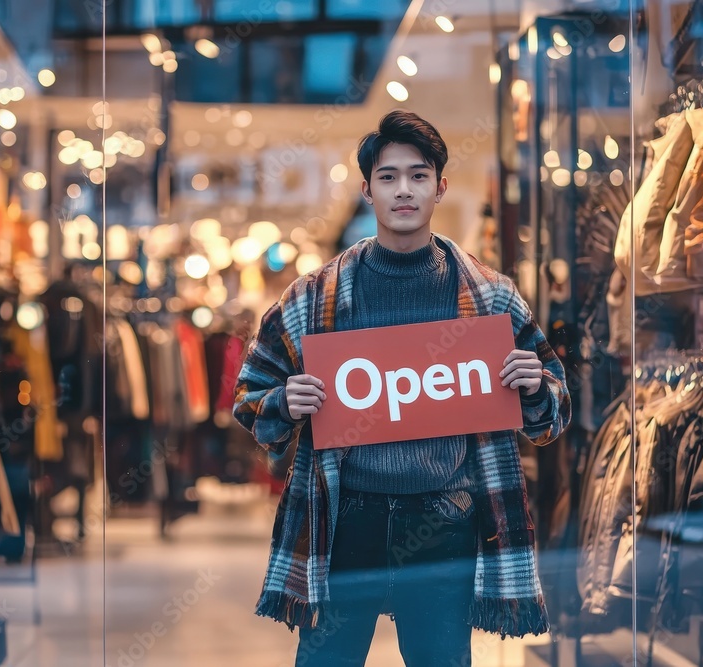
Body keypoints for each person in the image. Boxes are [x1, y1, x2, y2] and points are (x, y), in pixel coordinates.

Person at [233, 110, 571, 667]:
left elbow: (553, 412)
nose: (404, 190)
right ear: (367, 190)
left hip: (445, 522)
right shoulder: (313, 297)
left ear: (440, 187)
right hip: (346, 520)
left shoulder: (491, 297)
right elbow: (249, 396)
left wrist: (534, 385)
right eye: (388, 177)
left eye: (418, 176)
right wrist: (283, 402)